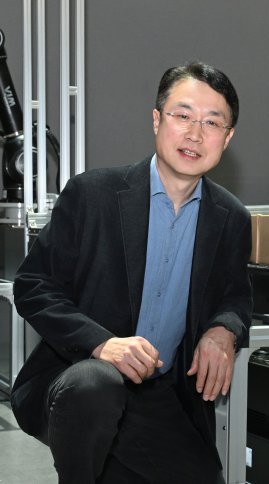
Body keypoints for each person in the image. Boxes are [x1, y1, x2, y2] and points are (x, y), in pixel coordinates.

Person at [10, 62, 252, 484]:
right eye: (183, 115)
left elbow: (236, 296)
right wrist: (101, 343)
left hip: (159, 393)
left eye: (212, 122)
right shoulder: (92, 194)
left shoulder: (231, 217)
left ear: (227, 138)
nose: (195, 134)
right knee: (96, 385)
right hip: (76, 379)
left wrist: (223, 331)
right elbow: (33, 285)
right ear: (157, 120)